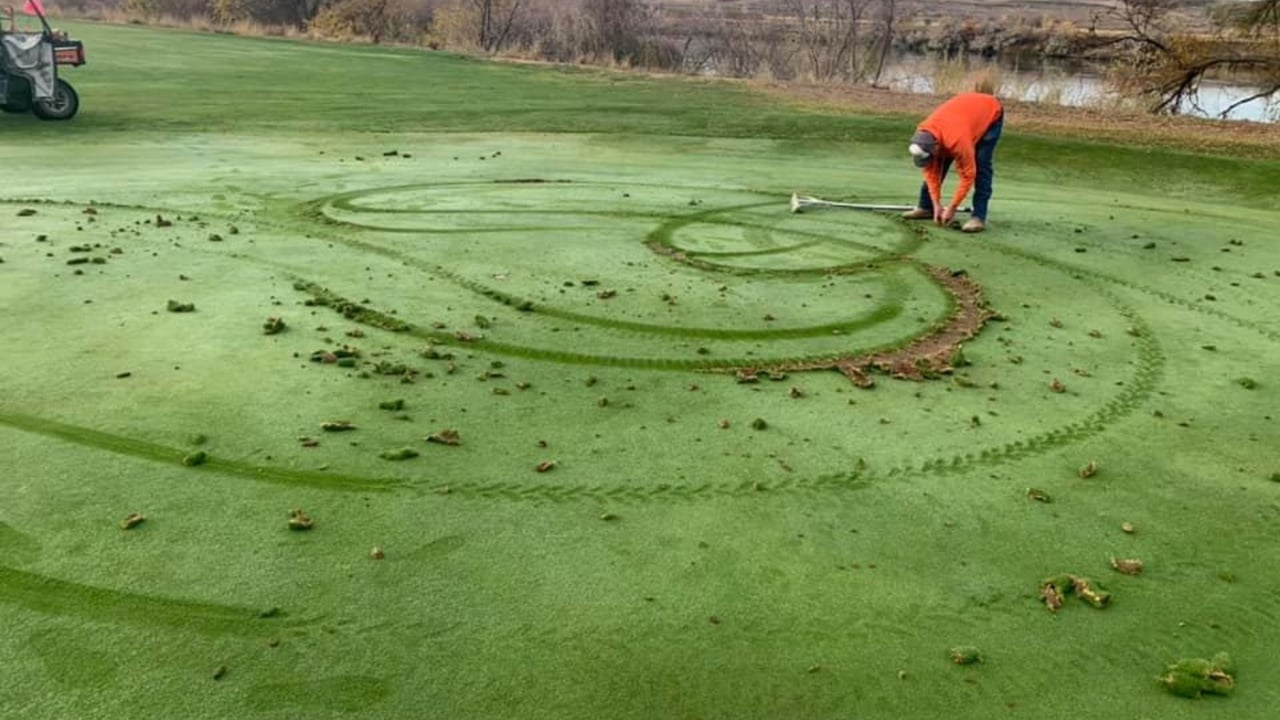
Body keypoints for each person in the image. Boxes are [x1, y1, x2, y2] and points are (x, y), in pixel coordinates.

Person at [903, 92, 1004, 233]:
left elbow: (968, 175)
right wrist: (936, 203)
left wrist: (952, 207)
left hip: (990, 113)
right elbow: (931, 172)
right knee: (936, 164)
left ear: (936, 146)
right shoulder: (923, 134)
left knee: (981, 165)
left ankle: (979, 217)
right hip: (960, 120)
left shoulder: (958, 141)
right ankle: (927, 207)